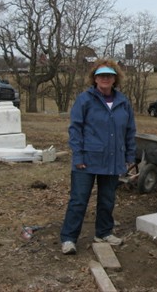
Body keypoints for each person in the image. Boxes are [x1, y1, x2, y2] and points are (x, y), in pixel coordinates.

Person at [60, 59, 137, 255]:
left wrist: (129, 155)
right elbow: (75, 129)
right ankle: (69, 238)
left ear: (115, 79)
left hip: (112, 160)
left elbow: (129, 130)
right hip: (87, 159)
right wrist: (78, 156)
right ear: (95, 78)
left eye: (109, 76)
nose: (105, 79)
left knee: (107, 199)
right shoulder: (85, 100)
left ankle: (103, 232)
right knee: (78, 200)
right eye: (101, 75)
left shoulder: (123, 102)